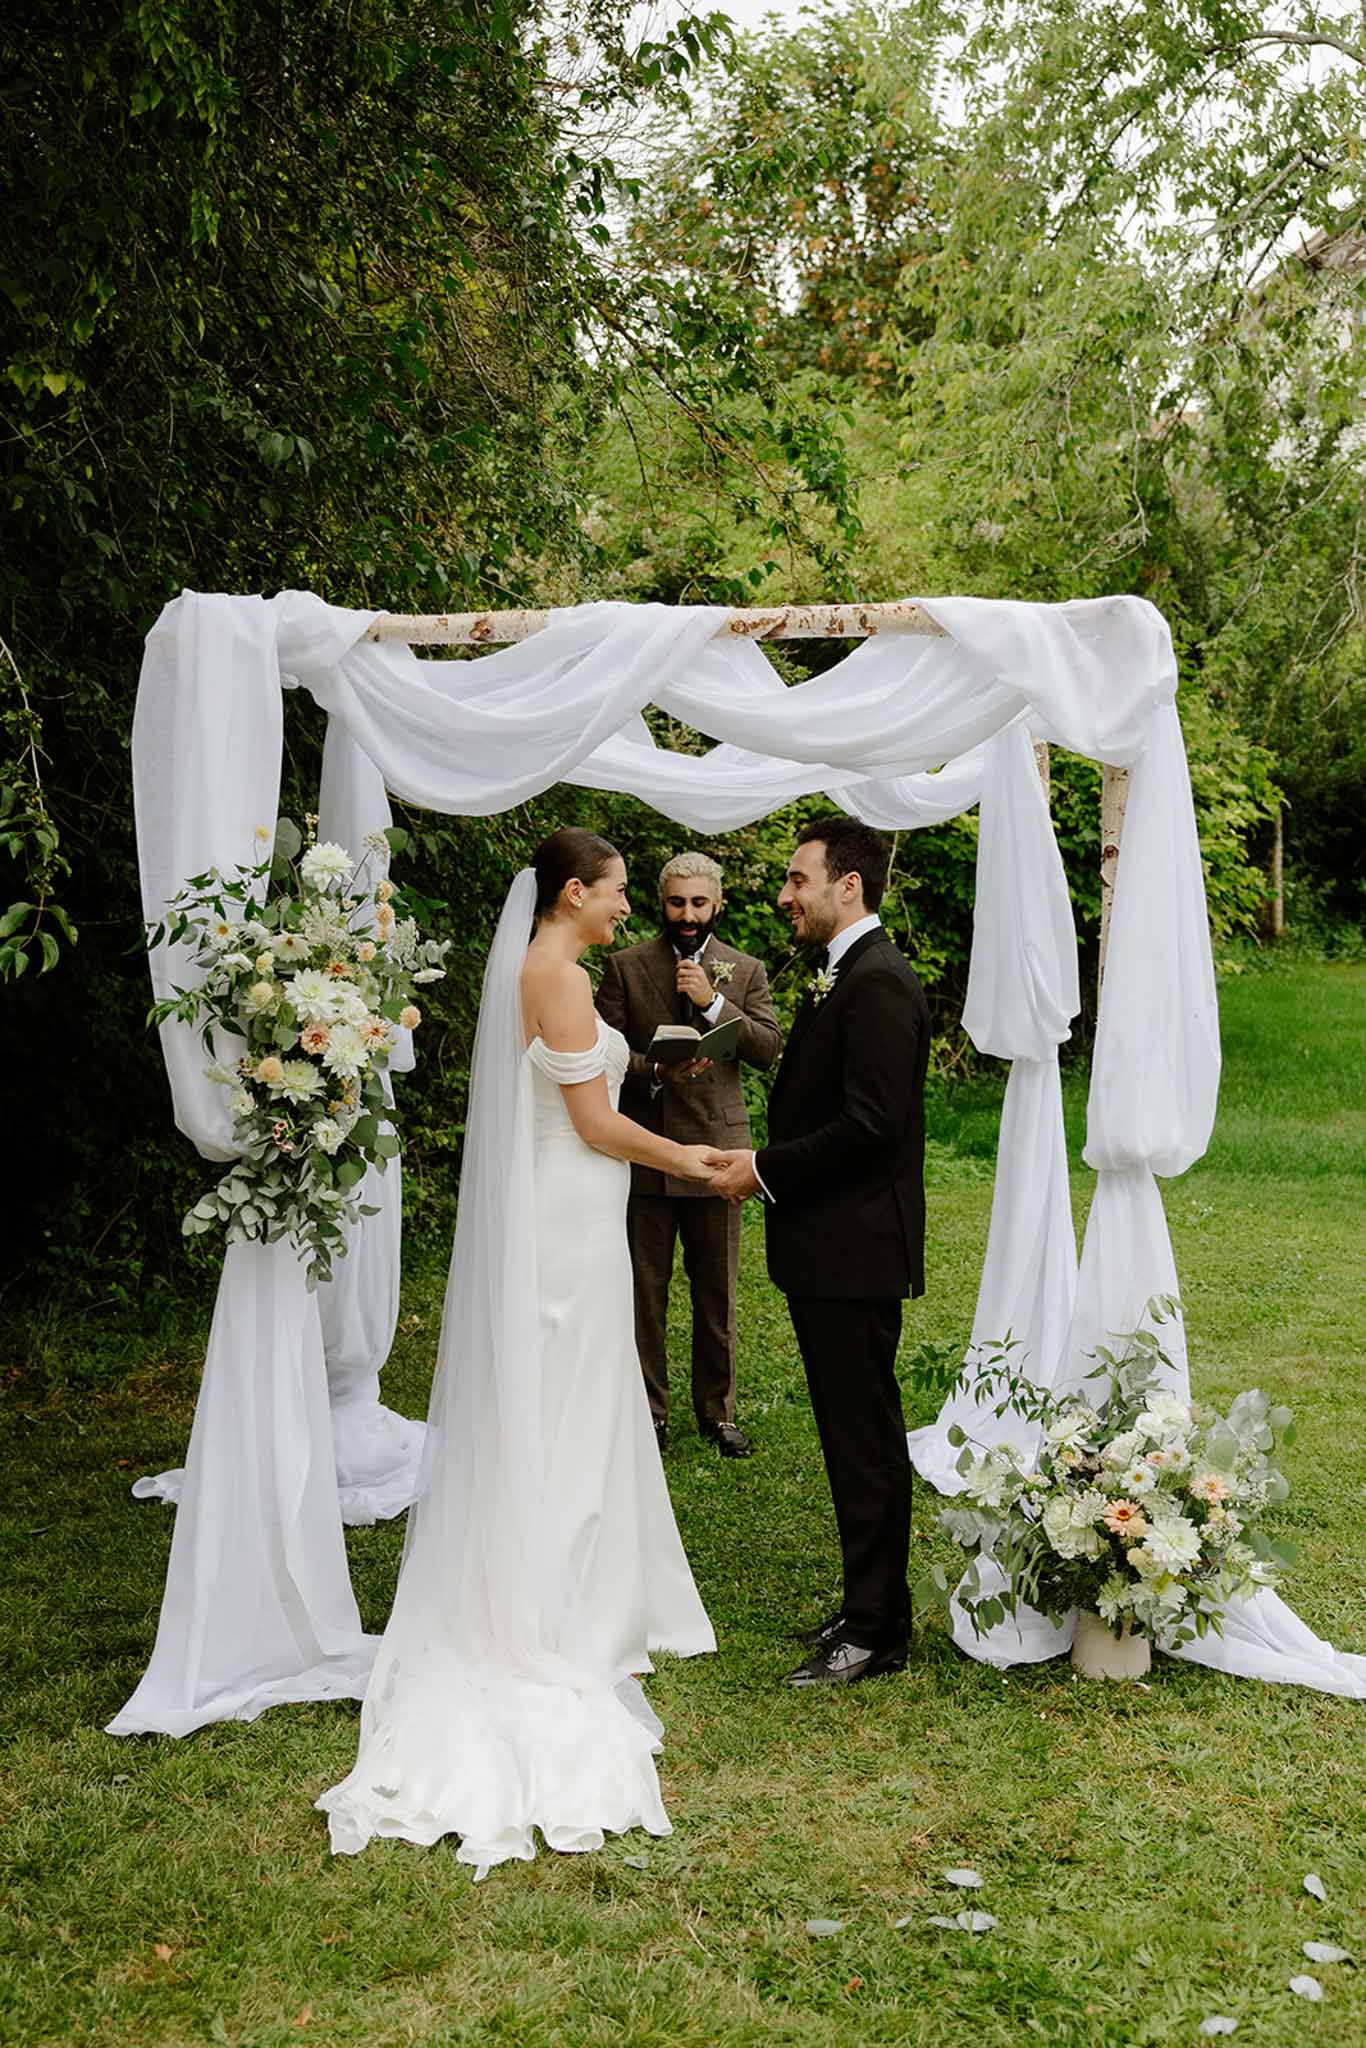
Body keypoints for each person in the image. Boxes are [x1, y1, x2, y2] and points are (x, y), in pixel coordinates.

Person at [317, 830, 716, 1873]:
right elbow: (592, 1122)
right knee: (573, 1396)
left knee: (564, 1394)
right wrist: (686, 1156)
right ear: (572, 892)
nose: (630, 905)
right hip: (572, 1219)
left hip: (560, 1215)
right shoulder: (563, 979)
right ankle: (568, 1600)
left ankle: (576, 1581)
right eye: (621, 890)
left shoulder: (533, 970)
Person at [706, 817, 929, 1689]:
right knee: (849, 1434)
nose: (785, 895)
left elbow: (871, 1127)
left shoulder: (876, 983)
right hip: (830, 1244)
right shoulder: (840, 975)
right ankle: (868, 1602)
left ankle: (878, 1630)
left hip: (855, 1247)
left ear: (849, 886)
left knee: (864, 1436)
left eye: (798, 879)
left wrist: (760, 1169)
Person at [596, 852, 781, 1458]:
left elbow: (767, 1048)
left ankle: (718, 1413)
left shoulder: (744, 970)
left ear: (717, 904)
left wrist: (711, 1004)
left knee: (716, 1291)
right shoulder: (624, 967)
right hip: (646, 1147)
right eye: (677, 902)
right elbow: (604, 1055)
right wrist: (657, 1072)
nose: (687, 914)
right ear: (661, 902)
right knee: (643, 1292)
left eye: (699, 903)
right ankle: (648, 1413)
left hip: (719, 1154)